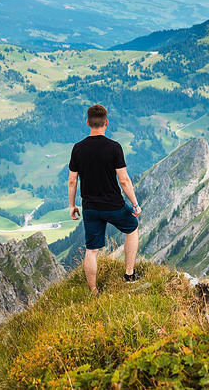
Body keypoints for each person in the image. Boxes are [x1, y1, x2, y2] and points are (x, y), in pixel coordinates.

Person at [68, 104, 141, 294]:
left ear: (88, 123)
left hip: (90, 207)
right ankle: (129, 275)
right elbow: (124, 181)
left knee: (92, 250)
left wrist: (72, 205)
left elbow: (71, 181)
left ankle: (93, 291)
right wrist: (135, 203)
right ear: (106, 122)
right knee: (132, 228)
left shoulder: (78, 149)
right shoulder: (114, 148)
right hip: (114, 205)